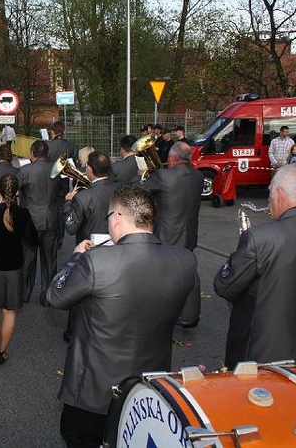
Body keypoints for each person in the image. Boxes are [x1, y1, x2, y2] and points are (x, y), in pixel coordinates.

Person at [47, 185, 196, 448]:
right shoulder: (185, 260)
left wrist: (74, 259)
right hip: (149, 392)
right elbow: (188, 316)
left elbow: (55, 296)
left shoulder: (95, 261)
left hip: (92, 393)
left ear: (116, 216)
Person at [214, 165, 296, 369]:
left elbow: (225, 285)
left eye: (269, 194)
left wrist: (235, 258)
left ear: (280, 194)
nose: (268, 202)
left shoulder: (260, 237)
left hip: (265, 353)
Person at [0, 174, 37, 366]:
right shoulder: (24, 214)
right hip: (14, 267)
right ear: (18, 192)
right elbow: (33, 241)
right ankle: (3, 352)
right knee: (9, 312)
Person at [143, 141, 203, 327]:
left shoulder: (162, 175)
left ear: (173, 158)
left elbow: (141, 192)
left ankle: (164, 316)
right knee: (189, 272)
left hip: (167, 235)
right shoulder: (198, 176)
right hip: (189, 234)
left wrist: (145, 176)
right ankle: (189, 317)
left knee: (161, 277)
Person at [16, 140, 62, 305]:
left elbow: (15, 191)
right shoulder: (56, 170)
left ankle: (24, 294)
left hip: (30, 220)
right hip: (50, 217)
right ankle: (48, 296)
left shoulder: (25, 170)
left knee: (27, 259)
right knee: (49, 260)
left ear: (32, 153)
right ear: (47, 153)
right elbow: (61, 193)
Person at [63, 151, 118, 245]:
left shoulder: (82, 197)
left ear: (90, 169)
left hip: (90, 248)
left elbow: (71, 228)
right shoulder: (123, 188)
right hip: (117, 244)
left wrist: (68, 203)